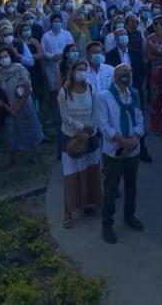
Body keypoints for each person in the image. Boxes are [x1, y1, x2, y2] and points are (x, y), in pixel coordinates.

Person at [98, 63, 145, 244]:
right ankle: (107, 222)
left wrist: (133, 140)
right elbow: (103, 125)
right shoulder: (105, 96)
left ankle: (129, 215)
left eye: (128, 73)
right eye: (122, 73)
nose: (126, 76)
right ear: (114, 76)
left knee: (131, 185)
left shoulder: (133, 94)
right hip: (114, 151)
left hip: (133, 148)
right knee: (111, 187)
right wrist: (123, 142)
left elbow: (140, 119)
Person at [58, 59, 102, 229]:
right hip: (71, 139)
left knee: (90, 171)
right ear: (73, 71)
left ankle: (87, 204)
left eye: (85, 69)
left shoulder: (91, 88)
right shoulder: (65, 92)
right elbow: (65, 117)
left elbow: (96, 109)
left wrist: (91, 128)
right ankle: (68, 212)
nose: (82, 72)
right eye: (79, 69)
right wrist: (82, 128)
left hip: (90, 137)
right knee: (71, 175)